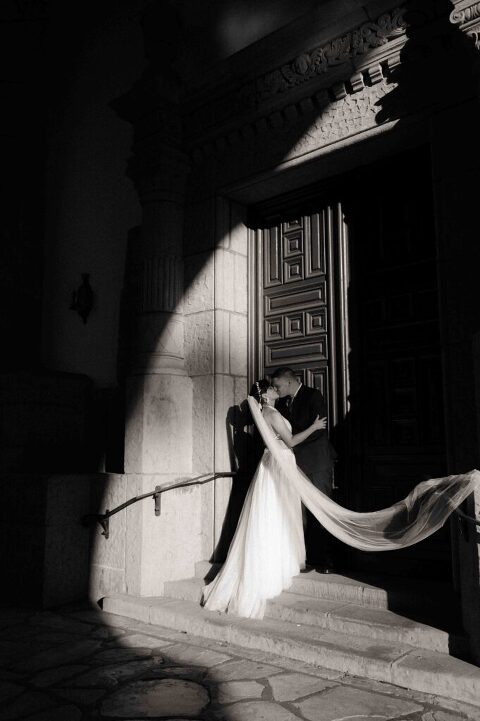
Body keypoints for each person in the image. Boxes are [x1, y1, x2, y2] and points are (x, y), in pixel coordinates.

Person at [201, 378, 480, 621]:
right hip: (278, 467)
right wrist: (314, 426)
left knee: (275, 518)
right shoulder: (271, 412)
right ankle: (271, 569)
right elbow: (291, 441)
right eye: (272, 389)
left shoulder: (268, 410)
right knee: (274, 518)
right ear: (265, 395)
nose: (276, 390)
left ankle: (276, 564)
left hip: (275, 468)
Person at [271, 367, 336, 572]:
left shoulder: (313, 395)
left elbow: (319, 430)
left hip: (317, 463)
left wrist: (290, 442)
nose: (276, 389)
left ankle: (327, 559)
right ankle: (306, 557)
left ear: (289, 382)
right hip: (295, 465)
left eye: (278, 385)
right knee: (300, 513)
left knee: (321, 509)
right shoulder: (281, 403)